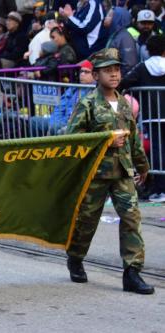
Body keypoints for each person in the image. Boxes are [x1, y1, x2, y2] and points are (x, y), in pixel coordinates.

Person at [65, 48, 154, 295]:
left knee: (131, 219)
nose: (114, 75)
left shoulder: (124, 102)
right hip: (96, 173)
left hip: (123, 173)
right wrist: (104, 140)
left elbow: (133, 137)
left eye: (116, 70)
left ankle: (132, 272)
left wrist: (143, 165)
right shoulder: (88, 104)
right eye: (108, 71)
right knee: (86, 221)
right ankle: (75, 257)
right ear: (95, 75)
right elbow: (73, 139)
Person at [120, 34, 165, 200]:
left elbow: (124, 82)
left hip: (152, 117)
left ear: (147, 50)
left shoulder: (142, 67)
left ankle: (161, 189)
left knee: (158, 151)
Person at [104, 7, 138, 76]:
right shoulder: (114, 35)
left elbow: (129, 64)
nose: (105, 18)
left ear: (118, 19)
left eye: (109, 15)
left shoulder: (125, 38)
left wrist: (116, 78)